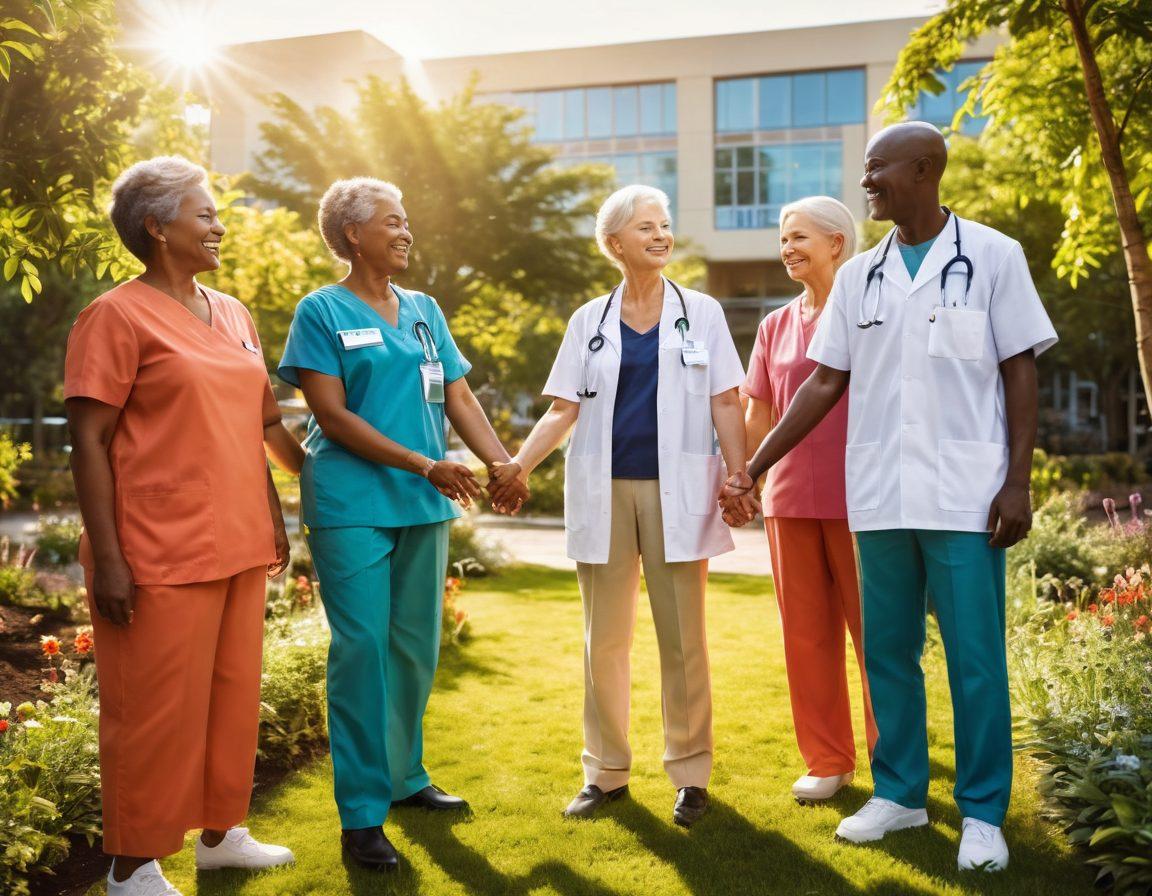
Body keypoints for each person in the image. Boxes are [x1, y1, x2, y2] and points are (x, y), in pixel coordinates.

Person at [740, 122, 1057, 872]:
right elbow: (824, 382)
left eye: (878, 169)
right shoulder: (860, 277)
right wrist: (752, 466)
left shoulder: (992, 256)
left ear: (924, 168)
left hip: (965, 495)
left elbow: (1021, 371)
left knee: (975, 659)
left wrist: (1017, 479)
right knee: (888, 652)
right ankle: (901, 794)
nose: (867, 182)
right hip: (879, 494)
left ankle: (982, 812)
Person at [65, 156, 302, 896]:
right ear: (157, 226)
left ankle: (221, 834)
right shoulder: (114, 316)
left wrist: (274, 516)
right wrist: (109, 559)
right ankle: (131, 867)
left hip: (237, 540)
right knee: (153, 712)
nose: (219, 225)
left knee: (232, 696)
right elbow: (90, 444)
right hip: (155, 549)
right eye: (205, 214)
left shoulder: (232, 313)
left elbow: (257, 423)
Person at [277, 177, 527, 871]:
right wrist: (427, 463)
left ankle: (404, 777)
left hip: (420, 504)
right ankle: (361, 815)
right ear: (353, 233)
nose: (406, 231)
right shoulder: (321, 311)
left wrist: (501, 462)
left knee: (415, 649)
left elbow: (459, 395)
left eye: (407, 219)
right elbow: (331, 416)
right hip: (352, 504)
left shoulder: (422, 310)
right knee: (361, 655)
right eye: (392, 221)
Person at [489, 185, 754, 828]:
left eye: (665, 224)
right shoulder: (589, 320)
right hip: (602, 491)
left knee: (683, 640)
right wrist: (516, 468)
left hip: (679, 491)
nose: (661, 235)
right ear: (615, 244)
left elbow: (725, 399)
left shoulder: (705, 312)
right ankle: (605, 773)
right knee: (602, 641)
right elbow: (562, 409)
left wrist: (741, 473)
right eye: (646, 227)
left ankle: (690, 774)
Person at [741, 196, 877, 802]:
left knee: (877, 636)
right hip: (789, 498)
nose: (788, 248)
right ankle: (827, 760)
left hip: (864, 498)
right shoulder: (774, 325)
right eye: (782, 239)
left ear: (837, 243)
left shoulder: (872, 309)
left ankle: (894, 762)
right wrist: (743, 476)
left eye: (799, 237)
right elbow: (758, 411)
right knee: (806, 635)